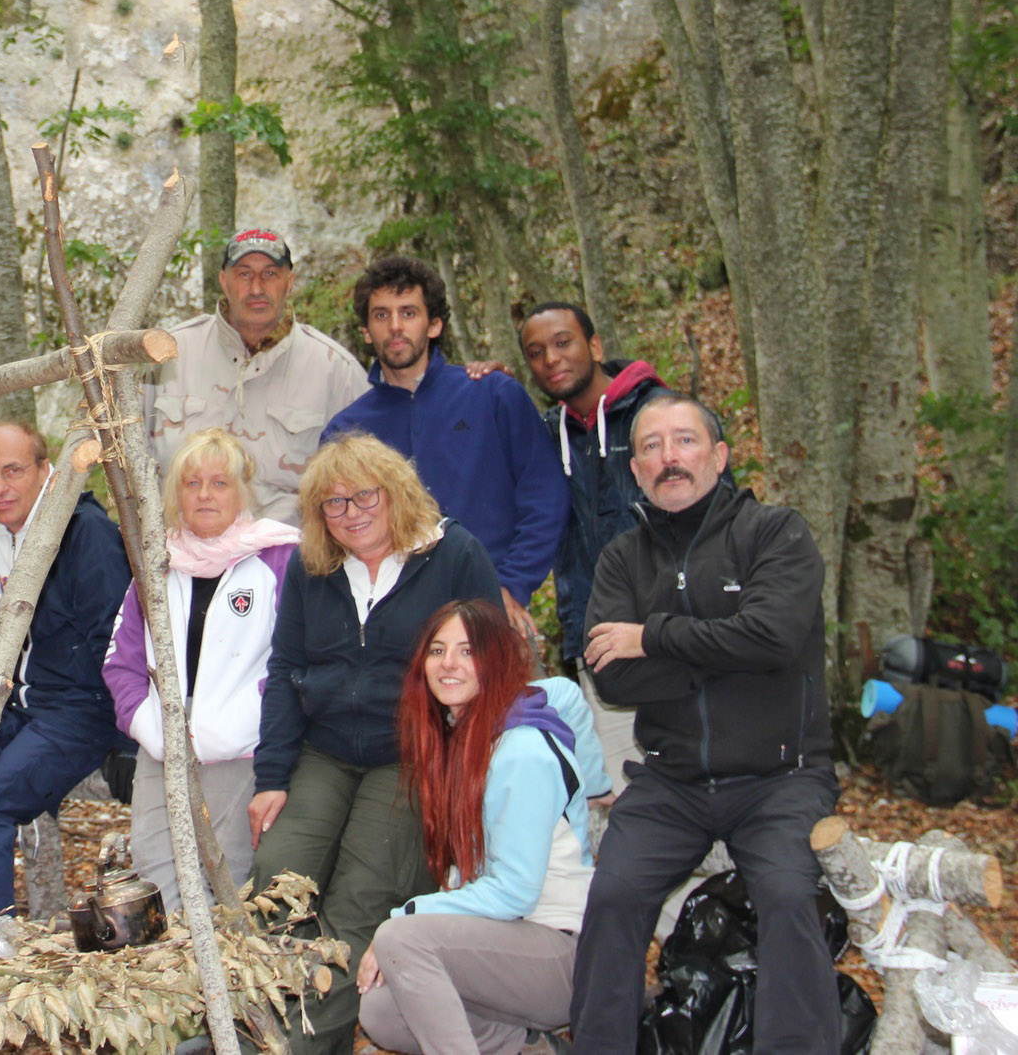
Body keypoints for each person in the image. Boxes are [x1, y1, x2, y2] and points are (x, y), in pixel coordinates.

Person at [571, 393, 839, 1054]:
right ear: (634, 470)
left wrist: (653, 637)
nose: (670, 458)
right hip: (673, 778)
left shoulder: (776, 534)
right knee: (613, 895)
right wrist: (727, 650)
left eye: (685, 441)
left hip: (781, 773)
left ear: (718, 456)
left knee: (787, 894)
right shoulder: (621, 560)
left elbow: (775, 637)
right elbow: (613, 675)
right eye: (653, 447)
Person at [248, 433, 503, 1053]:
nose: (352, 513)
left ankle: (305, 1045)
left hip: (413, 756)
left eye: (365, 496)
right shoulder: (315, 569)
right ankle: (268, 1028)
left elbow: (494, 662)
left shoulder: (450, 554)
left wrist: (463, 768)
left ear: (395, 495)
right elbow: (284, 669)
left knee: (363, 897)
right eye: (333, 504)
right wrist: (271, 779)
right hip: (325, 752)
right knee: (277, 876)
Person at [356, 599, 598, 1055]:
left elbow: (515, 892)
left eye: (468, 652)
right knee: (382, 1011)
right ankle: (526, 1046)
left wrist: (406, 917)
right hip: (507, 952)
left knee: (400, 936)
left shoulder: (521, 749)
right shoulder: (465, 740)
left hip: (562, 953)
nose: (448, 664)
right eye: (437, 650)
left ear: (498, 660)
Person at [0, 422, 133, 925]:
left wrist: (128, 736)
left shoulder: (86, 533)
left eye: (13, 472)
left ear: (46, 471)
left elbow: (117, 639)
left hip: (80, 708)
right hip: (7, 701)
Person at [102, 427, 299, 913]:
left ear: (242, 492)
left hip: (243, 747)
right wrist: (154, 729)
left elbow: (294, 659)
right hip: (163, 742)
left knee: (229, 875)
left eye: (219, 483)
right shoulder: (156, 563)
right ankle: (176, 979)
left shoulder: (280, 558)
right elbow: (120, 663)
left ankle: (227, 982)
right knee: (156, 868)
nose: (205, 495)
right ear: (176, 495)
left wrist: (244, 725)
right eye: (192, 484)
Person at [322, 256, 567, 633]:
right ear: (367, 331)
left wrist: (512, 585)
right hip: (392, 628)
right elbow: (333, 532)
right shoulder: (347, 432)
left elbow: (545, 496)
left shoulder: (492, 395)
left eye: (409, 313)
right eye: (382, 315)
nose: (396, 327)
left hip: (492, 615)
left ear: (434, 324)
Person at [517, 301, 672, 794]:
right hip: (597, 646)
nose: (551, 359)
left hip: (676, 640)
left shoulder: (660, 418)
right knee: (626, 796)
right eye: (536, 352)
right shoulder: (545, 437)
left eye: (563, 343)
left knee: (702, 785)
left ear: (595, 346)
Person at [143, 229, 366, 525]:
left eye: (270, 273)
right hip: (176, 558)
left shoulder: (337, 372)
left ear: (290, 282)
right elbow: (128, 467)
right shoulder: (168, 356)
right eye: (244, 274)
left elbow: (368, 485)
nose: (257, 287)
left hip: (288, 562)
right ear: (224, 281)